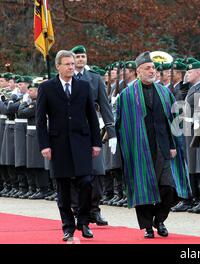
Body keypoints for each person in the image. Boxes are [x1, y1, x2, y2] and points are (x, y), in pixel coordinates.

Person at [115, 51, 190, 239]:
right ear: (138, 71)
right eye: (148, 68)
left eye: (153, 68)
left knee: (169, 188)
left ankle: (160, 219)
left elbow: (173, 121)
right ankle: (148, 226)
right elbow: (121, 124)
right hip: (140, 150)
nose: (152, 71)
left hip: (163, 148)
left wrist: (174, 145)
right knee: (144, 188)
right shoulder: (127, 95)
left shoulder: (165, 92)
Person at [36, 50, 102, 241]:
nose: (71, 67)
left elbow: (91, 115)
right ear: (58, 66)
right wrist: (44, 145)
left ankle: (83, 221)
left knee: (86, 182)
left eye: (73, 64)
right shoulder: (47, 88)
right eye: (67, 64)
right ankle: (68, 226)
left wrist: (96, 142)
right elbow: (41, 120)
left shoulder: (83, 86)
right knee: (63, 189)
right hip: (59, 144)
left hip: (82, 141)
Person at [70, 45, 116, 226]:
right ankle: (77, 209)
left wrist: (111, 132)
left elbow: (105, 106)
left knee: (97, 172)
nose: (80, 59)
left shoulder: (95, 79)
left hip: (92, 128)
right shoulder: (66, 78)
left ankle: (94, 209)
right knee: (74, 173)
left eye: (83, 56)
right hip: (72, 129)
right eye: (77, 56)